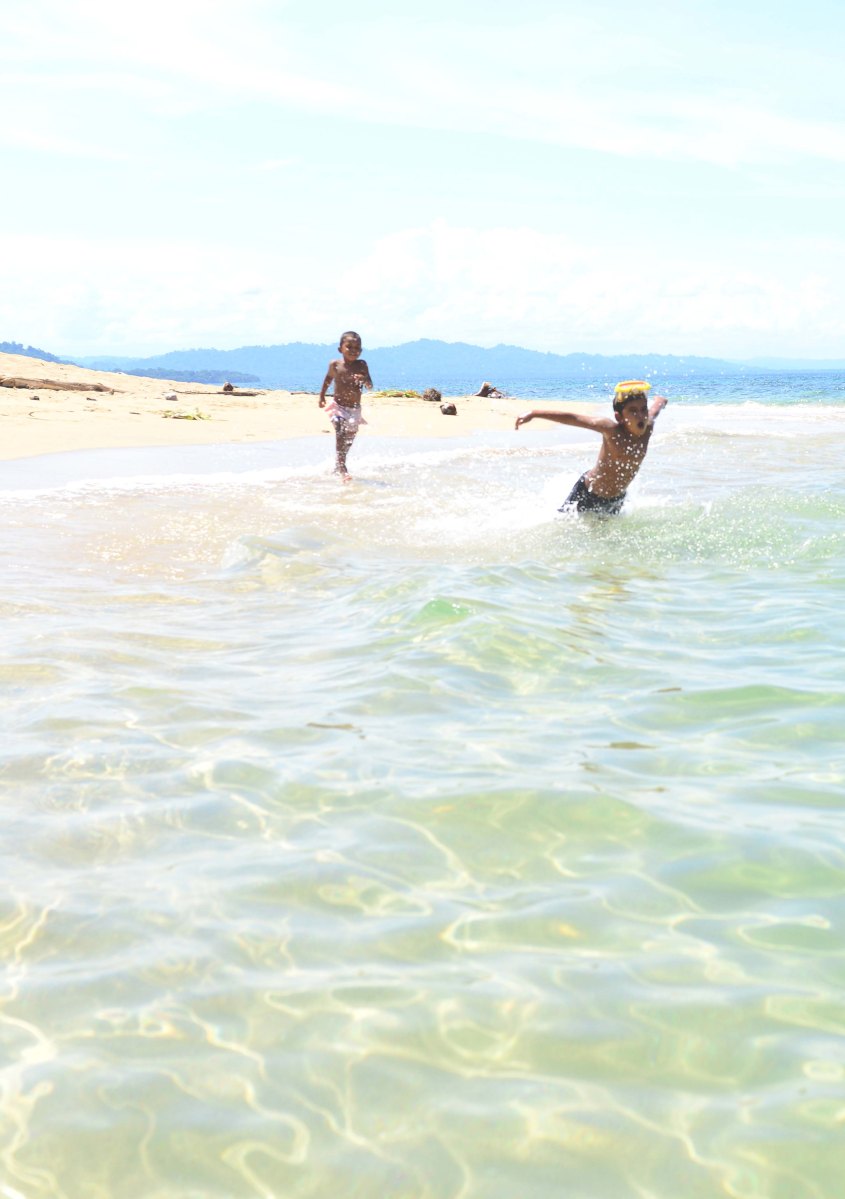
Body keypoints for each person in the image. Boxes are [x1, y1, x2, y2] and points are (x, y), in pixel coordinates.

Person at [514, 381, 668, 514]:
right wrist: (534, 413)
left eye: (643, 409)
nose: (641, 415)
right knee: (563, 527)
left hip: (617, 498)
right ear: (619, 417)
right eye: (633, 411)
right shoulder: (611, 430)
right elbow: (574, 418)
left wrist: (660, 401)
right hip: (588, 493)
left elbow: (655, 410)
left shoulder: (647, 427)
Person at [318, 330, 374, 478]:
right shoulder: (335, 365)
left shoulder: (362, 365)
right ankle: (343, 467)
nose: (353, 351)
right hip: (338, 407)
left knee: (349, 439)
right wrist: (322, 396)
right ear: (340, 349)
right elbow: (328, 380)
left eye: (357, 348)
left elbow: (370, 385)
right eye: (349, 347)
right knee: (340, 430)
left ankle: (339, 462)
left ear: (361, 350)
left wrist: (364, 379)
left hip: (354, 409)